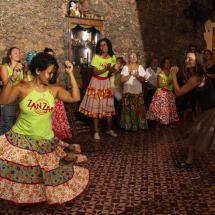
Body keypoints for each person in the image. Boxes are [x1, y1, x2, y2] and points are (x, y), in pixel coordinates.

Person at [0, 52, 89, 204]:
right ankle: (26, 200)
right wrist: (12, 79)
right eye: (48, 72)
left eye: (53, 73)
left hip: (45, 141)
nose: (50, 76)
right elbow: (4, 100)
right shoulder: (22, 88)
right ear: (37, 71)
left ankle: (37, 198)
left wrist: (70, 74)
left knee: (45, 175)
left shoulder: (53, 90)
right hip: (22, 141)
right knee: (24, 174)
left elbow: (75, 97)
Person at [171, 51, 215, 170]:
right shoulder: (197, 74)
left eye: (190, 59)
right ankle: (189, 162)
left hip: (212, 109)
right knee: (194, 133)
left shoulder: (196, 77)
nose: (187, 60)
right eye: (186, 58)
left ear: (197, 61)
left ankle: (189, 162)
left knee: (205, 135)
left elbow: (179, 92)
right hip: (207, 109)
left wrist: (173, 75)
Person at [79, 38, 120, 140]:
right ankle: (96, 132)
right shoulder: (96, 57)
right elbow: (95, 72)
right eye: (101, 45)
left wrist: (117, 70)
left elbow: (112, 71)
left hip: (106, 82)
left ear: (108, 46)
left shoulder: (112, 57)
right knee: (95, 107)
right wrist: (106, 68)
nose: (103, 47)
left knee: (109, 106)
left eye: (105, 45)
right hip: (96, 83)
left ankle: (109, 129)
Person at [44, 48, 72, 140]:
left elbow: (58, 83)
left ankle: (59, 142)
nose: (50, 57)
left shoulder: (56, 69)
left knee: (57, 118)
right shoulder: (41, 68)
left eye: (52, 55)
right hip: (45, 96)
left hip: (55, 95)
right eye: (48, 55)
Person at [146, 57, 179, 130]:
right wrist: (170, 81)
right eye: (165, 63)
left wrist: (173, 92)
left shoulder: (171, 73)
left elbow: (173, 84)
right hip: (161, 93)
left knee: (169, 109)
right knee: (160, 109)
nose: (167, 64)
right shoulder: (161, 73)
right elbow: (159, 85)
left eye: (168, 63)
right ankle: (157, 125)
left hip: (169, 93)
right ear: (163, 64)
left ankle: (168, 123)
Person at [120, 52, 148, 131]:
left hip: (137, 93)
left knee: (138, 110)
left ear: (137, 58)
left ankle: (139, 125)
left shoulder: (140, 67)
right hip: (128, 94)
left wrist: (137, 75)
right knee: (128, 111)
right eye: (131, 56)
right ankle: (128, 126)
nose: (133, 57)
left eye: (134, 56)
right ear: (129, 58)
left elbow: (144, 80)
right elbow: (122, 80)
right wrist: (129, 74)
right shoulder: (125, 67)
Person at [0, 47, 24, 135]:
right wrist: (14, 74)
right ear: (10, 56)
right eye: (15, 53)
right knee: (6, 126)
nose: (18, 54)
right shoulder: (4, 67)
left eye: (19, 52)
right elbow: (6, 85)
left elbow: (22, 83)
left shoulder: (21, 67)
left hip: (19, 100)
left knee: (16, 125)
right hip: (8, 100)